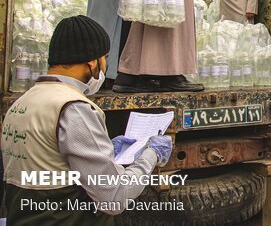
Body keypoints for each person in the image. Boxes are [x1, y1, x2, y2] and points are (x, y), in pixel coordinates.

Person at [1, 15, 172, 225]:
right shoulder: (73, 108)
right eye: (105, 57)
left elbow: (49, 164)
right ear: (92, 62)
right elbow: (114, 198)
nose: (104, 65)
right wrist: (151, 156)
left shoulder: (21, 104)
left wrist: (106, 150)